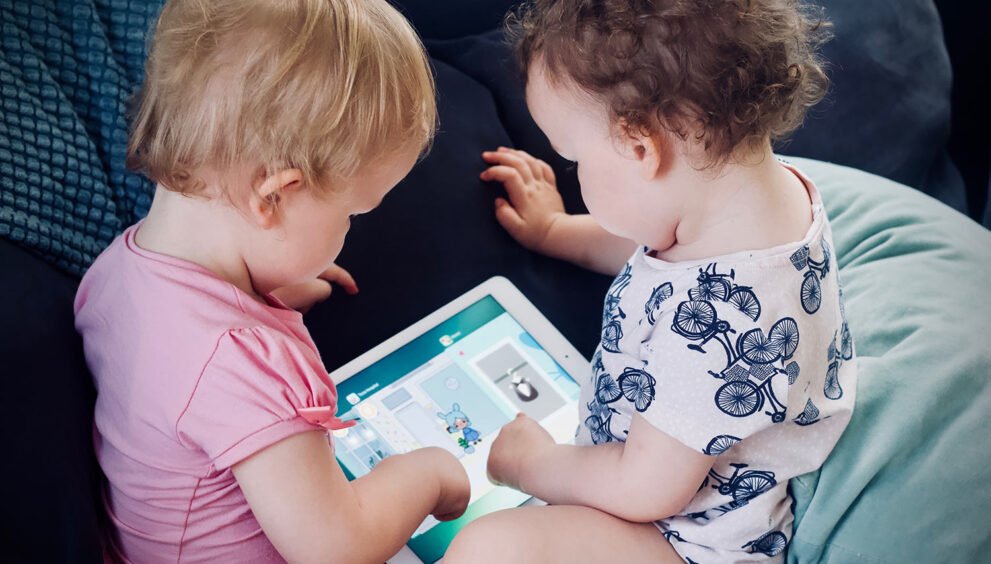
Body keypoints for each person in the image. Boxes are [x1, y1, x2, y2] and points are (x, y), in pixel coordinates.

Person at [447, 0, 857, 561]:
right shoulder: (743, 203)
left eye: (574, 160)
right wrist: (553, 231)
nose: (574, 173)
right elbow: (657, 251)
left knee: (488, 546)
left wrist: (531, 464)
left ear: (641, 148)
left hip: (687, 540)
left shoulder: (726, 329)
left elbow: (643, 489)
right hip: (655, 489)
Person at [73, 1, 469, 561]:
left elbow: (180, 380)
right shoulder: (250, 364)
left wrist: (265, 286)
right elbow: (339, 547)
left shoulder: (117, 270)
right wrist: (428, 473)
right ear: (273, 197)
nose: (352, 229)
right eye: (352, 214)